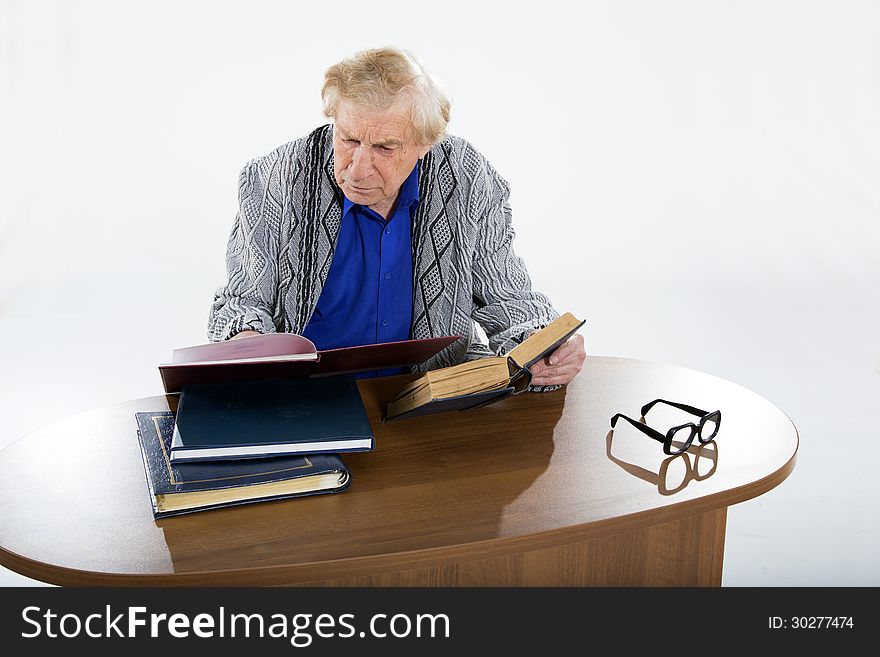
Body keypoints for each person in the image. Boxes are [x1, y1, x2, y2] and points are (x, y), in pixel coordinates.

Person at [207, 47, 585, 387]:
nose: (357, 169)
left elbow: (508, 297)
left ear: (425, 144)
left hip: (431, 392)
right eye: (349, 139)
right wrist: (247, 342)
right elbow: (243, 303)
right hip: (306, 394)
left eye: (385, 147)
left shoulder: (468, 177)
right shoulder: (275, 178)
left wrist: (545, 348)